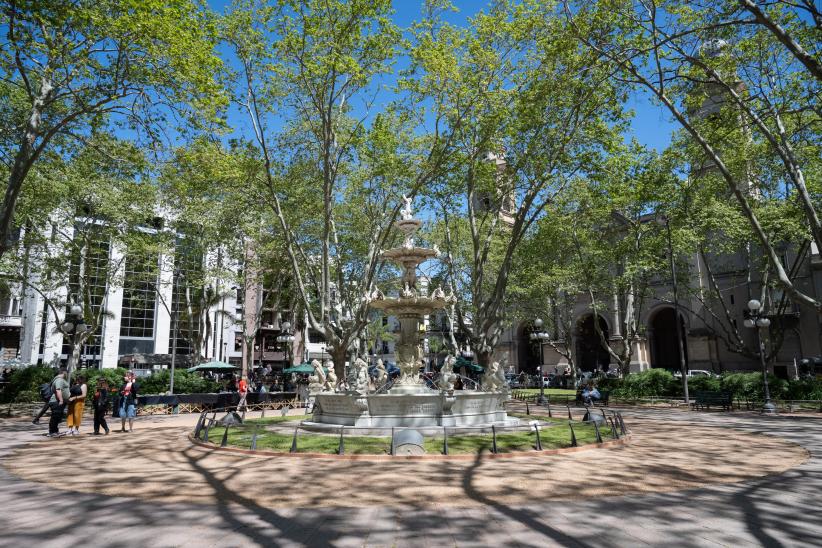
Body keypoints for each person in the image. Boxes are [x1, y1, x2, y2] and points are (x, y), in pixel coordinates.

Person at [47, 368, 70, 437]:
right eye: (66, 373)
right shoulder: (59, 380)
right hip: (56, 401)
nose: (67, 374)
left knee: (57, 417)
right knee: (55, 417)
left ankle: (55, 431)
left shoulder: (59, 380)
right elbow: (58, 390)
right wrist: (61, 400)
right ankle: (52, 432)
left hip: (58, 401)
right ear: (64, 372)